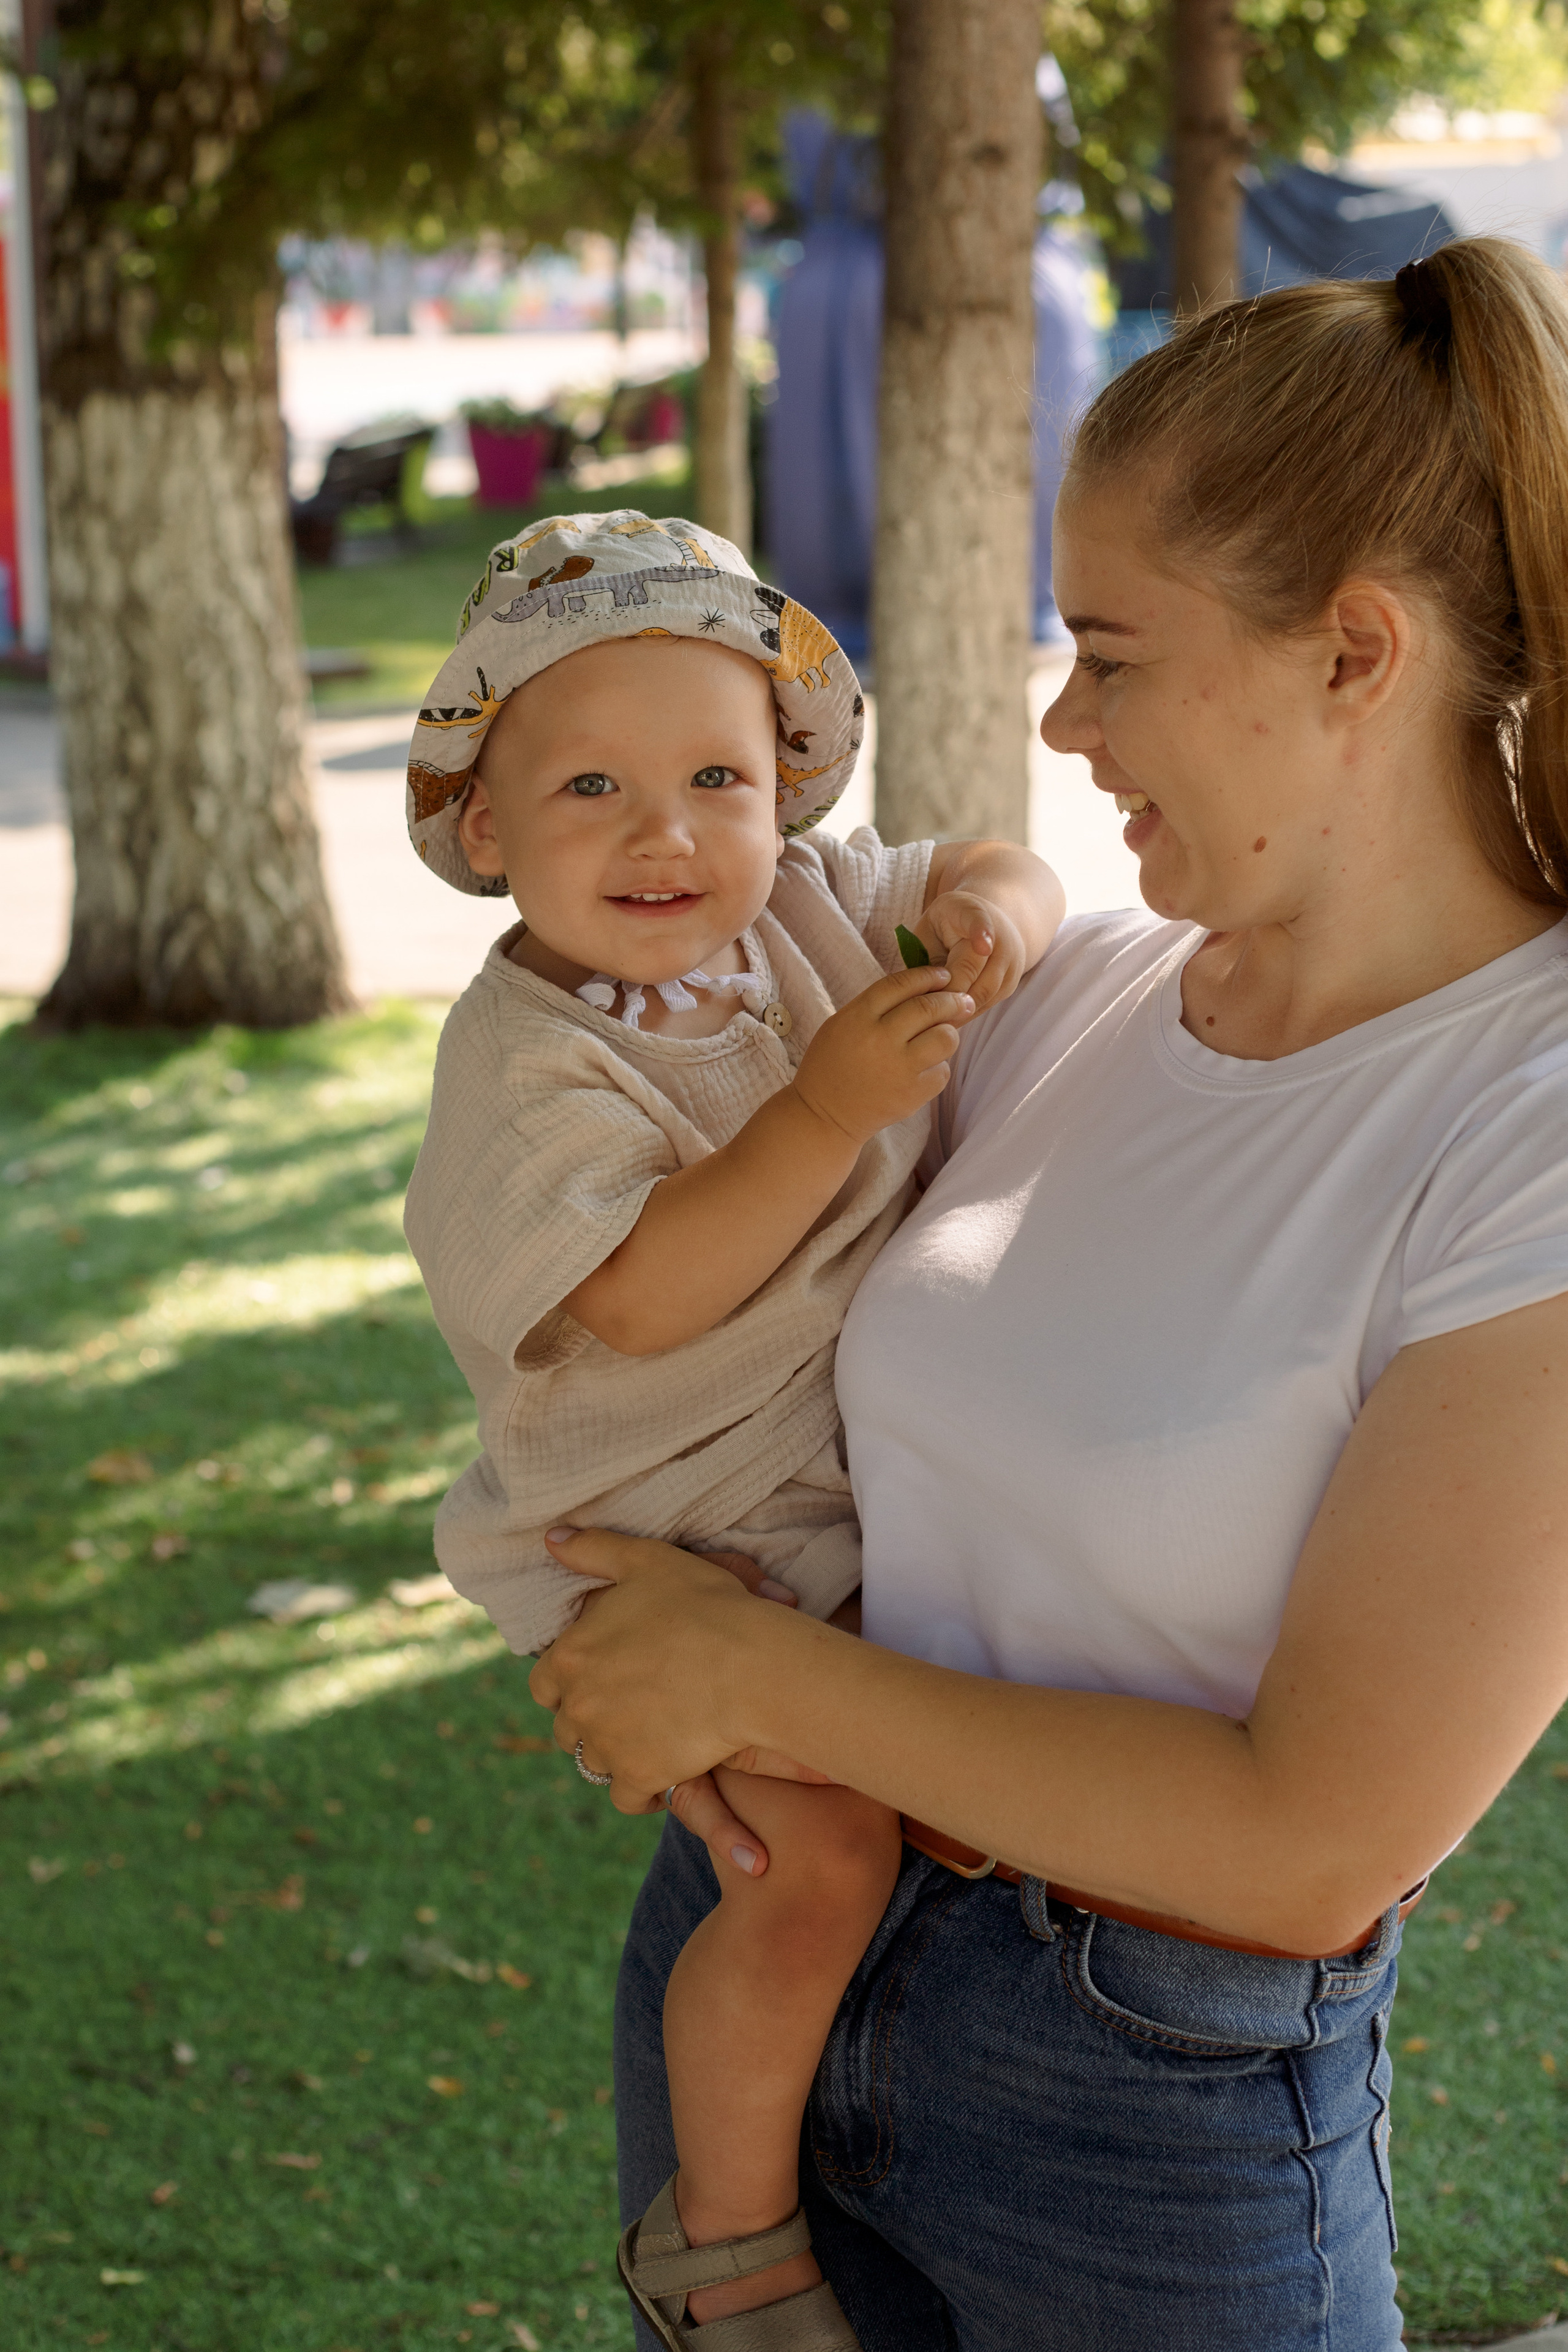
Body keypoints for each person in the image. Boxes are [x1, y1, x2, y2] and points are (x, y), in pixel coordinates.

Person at [529, 238, 1568, 2352]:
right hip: (761, 1951)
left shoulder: (1525, 1121)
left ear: (1356, 651)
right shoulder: (1071, 996)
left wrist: (746, 1676)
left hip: (1142, 2123)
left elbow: (1311, 1841)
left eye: (1109, 652)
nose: (1057, 718)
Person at [399, 509, 1065, 2351]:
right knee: (819, 1861)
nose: (666, 834)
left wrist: (995, 923)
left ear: (788, 791)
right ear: (484, 828)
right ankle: (732, 2244)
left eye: (717, 778)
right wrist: (822, 1113)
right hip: (684, 1542)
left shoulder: (810, 911)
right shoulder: (528, 1053)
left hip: (831, 1499)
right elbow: (638, 1294)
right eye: (591, 786)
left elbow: (999, 862)